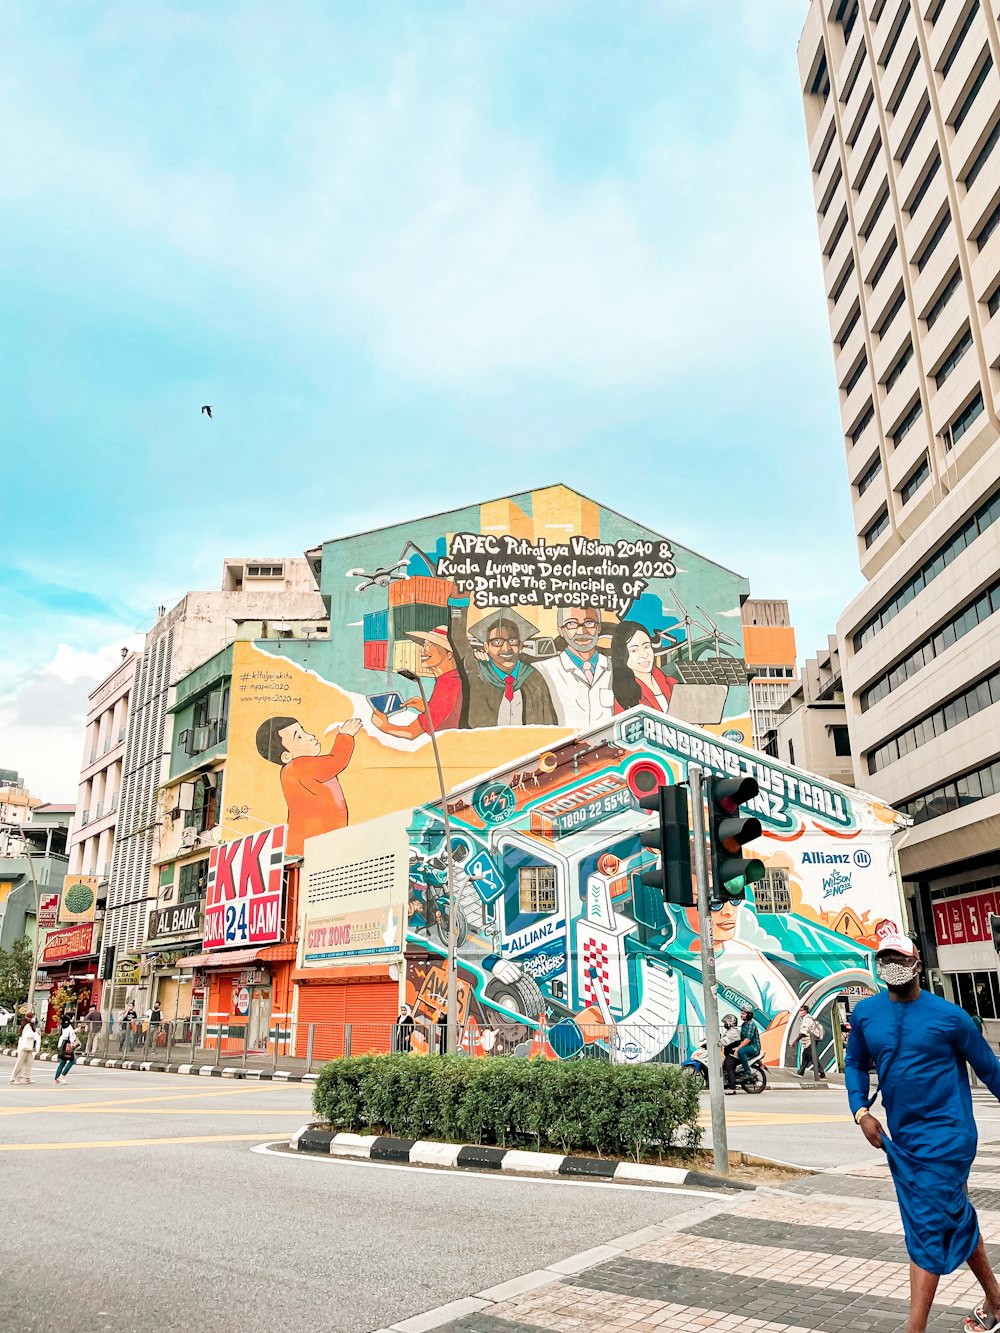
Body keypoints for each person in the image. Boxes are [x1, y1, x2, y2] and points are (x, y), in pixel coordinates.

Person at [846, 934, 1000, 1333]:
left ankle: (915, 1329)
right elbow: (855, 1063)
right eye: (885, 959)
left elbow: (991, 1070)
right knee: (954, 1219)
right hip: (906, 1142)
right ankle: (998, 1302)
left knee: (927, 1226)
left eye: (900, 957)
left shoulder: (952, 1017)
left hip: (950, 1139)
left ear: (917, 962)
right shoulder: (866, 1014)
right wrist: (861, 1111)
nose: (893, 964)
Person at [255, 715, 362, 857]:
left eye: (303, 731)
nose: (310, 736)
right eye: (299, 737)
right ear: (286, 756)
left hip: (314, 843)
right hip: (315, 843)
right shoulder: (298, 766)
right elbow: (337, 761)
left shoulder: (294, 769)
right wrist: (345, 735)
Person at [447, 599, 557, 728]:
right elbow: (458, 639)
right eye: (497, 642)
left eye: (512, 641)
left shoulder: (534, 679)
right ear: (486, 647)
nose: (506, 648)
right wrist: (459, 602)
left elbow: (548, 724)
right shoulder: (477, 673)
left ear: (521, 646)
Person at [371, 627, 462, 740]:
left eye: (432, 645)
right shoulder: (453, 679)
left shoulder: (448, 685)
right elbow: (447, 714)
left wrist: (385, 726)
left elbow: (412, 732)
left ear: (450, 654)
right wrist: (428, 708)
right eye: (424, 645)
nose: (423, 651)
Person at [534, 607, 614, 729]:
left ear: (599, 628)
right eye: (571, 624)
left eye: (589, 623)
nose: (582, 631)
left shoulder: (616, 669)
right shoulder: (542, 671)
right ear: (560, 630)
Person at [609, 621, 679, 715]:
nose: (644, 654)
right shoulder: (622, 696)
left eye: (646, 646)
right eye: (634, 650)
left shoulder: (673, 684)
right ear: (622, 654)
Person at [796, 1005, 826, 1079]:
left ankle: (822, 1074)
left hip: (810, 1041)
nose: (799, 1012)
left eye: (801, 1010)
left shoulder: (807, 1020)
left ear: (805, 1012)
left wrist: (795, 1041)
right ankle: (801, 1072)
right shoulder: (809, 1018)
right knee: (805, 1056)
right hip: (810, 1041)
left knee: (813, 1058)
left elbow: (803, 1032)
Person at [9, 1014, 40, 1085]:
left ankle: (27, 1078)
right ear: (29, 1019)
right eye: (32, 1017)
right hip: (24, 1048)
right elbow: (29, 1035)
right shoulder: (27, 1026)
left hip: (29, 1048)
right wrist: (36, 1034)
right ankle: (14, 1078)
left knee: (29, 1062)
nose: (34, 1019)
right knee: (20, 1063)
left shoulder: (29, 1026)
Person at [735, 1005, 761, 1084]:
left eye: (743, 1013)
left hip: (754, 1047)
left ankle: (747, 1072)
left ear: (748, 1015)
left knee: (741, 1052)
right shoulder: (744, 1025)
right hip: (748, 1046)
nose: (741, 1015)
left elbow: (748, 1039)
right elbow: (742, 1039)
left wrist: (738, 1048)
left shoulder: (751, 1024)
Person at [54, 1015, 79, 1084]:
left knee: (63, 1062)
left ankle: (56, 1078)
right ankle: (62, 1076)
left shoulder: (63, 1026)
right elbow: (68, 1036)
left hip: (61, 1046)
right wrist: (74, 1031)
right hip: (67, 1046)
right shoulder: (69, 1027)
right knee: (72, 1060)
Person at [721, 1013, 742, 1095]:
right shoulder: (729, 1031)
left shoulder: (734, 1032)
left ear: (731, 1023)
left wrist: (718, 1042)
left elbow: (725, 1041)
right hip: (729, 1053)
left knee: (728, 1066)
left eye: (726, 1022)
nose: (724, 1024)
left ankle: (732, 1088)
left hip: (733, 1055)